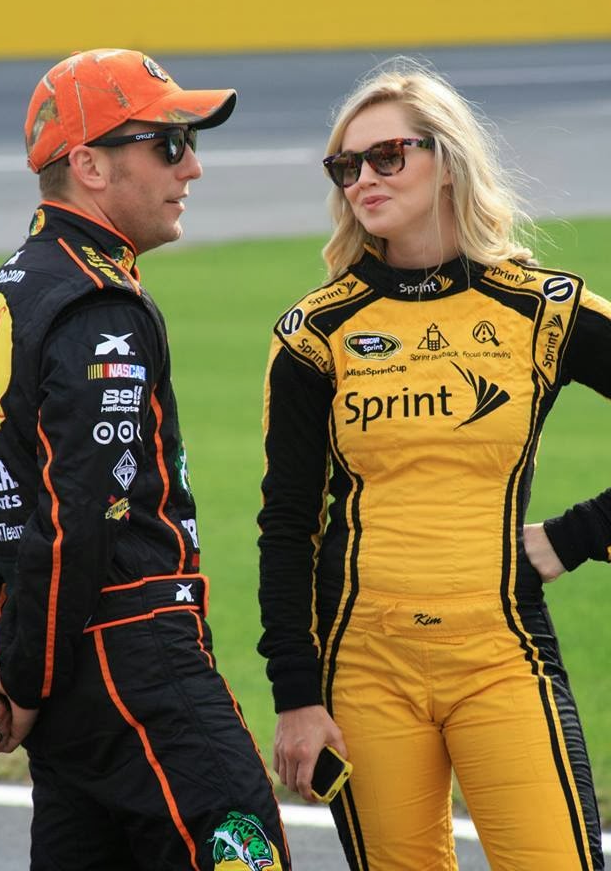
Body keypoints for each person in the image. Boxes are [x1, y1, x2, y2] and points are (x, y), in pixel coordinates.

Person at [257, 62, 609, 870]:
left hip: (503, 655)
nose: (364, 179)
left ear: (448, 160)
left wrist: (578, 535)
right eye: (346, 165)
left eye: (388, 156)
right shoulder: (315, 334)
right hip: (364, 667)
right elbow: (286, 526)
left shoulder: (542, 309)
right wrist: (297, 698)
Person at [0, 48, 290, 871]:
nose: (193, 167)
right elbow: (81, 514)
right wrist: (24, 680)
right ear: (89, 166)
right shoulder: (95, 301)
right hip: (136, 664)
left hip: (65, 682)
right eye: (169, 144)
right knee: (245, 844)